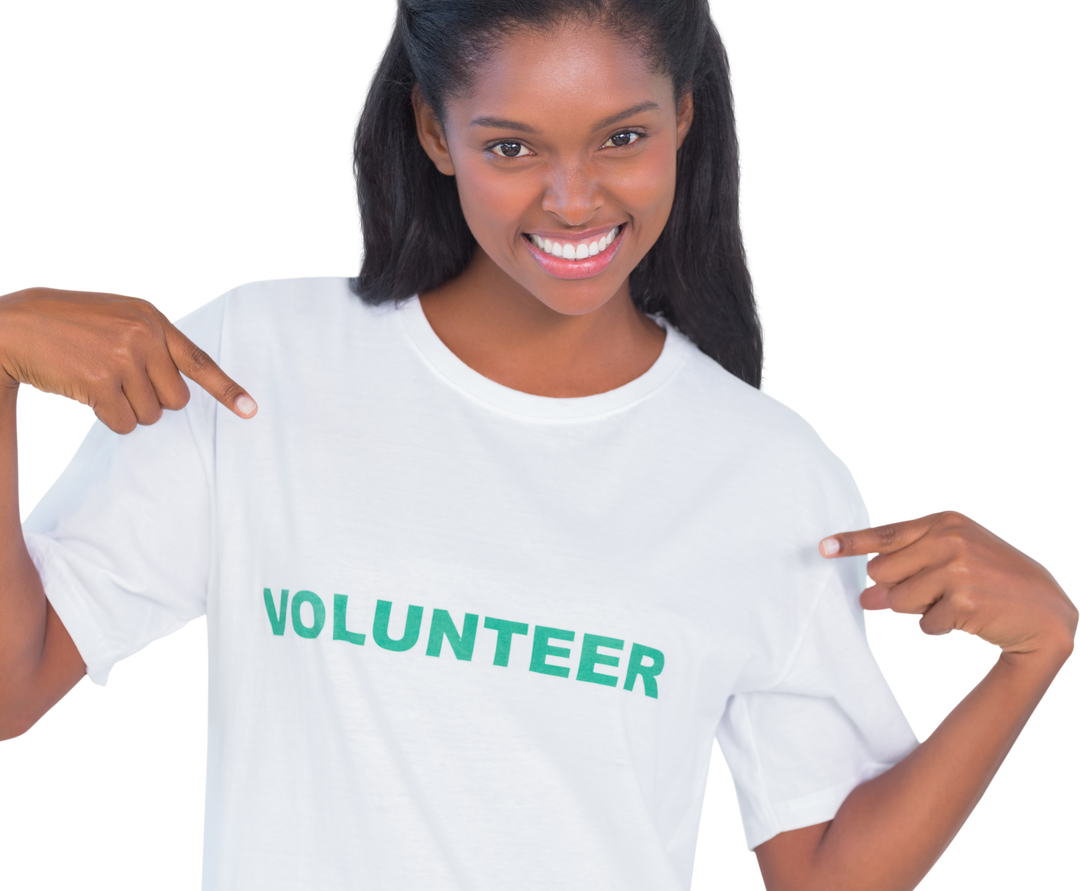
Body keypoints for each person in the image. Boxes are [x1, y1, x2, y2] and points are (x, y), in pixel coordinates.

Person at [0, 2, 1074, 889]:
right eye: (511, 146)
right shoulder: (258, 365)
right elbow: (11, 689)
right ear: (433, 130)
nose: (574, 200)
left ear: (684, 120)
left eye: (623, 136)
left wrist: (1036, 655)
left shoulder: (768, 473)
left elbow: (825, 872)